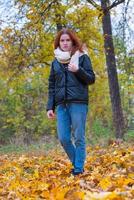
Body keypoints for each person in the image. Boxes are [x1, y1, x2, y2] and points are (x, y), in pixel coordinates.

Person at [46, 28, 95, 176]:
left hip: (78, 103)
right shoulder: (55, 62)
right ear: (58, 43)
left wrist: (78, 70)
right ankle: (78, 164)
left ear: (72, 41)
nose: (65, 43)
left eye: (68, 40)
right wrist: (50, 106)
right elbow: (52, 86)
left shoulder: (82, 57)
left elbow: (91, 79)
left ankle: (78, 170)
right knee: (64, 138)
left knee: (79, 137)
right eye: (62, 40)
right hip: (61, 105)